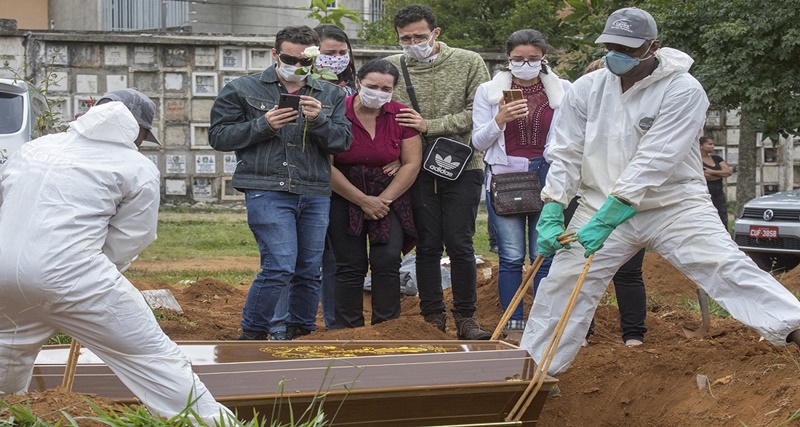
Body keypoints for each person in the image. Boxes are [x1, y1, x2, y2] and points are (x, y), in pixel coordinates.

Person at [522, 7, 800, 375]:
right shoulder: (588, 88)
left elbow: (656, 158)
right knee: (564, 283)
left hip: (674, 205)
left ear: (653, 46)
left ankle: (794, 328)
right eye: (611, 45)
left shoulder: (683, 90)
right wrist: (554, 205)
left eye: (628, 48)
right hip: (599, 204)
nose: (617, 54)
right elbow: (567, 150)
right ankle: (534, 374)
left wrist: (613, 212)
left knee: (724, 265)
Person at [0, 89, 234, 424]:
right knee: (152, 358)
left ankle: (10, 416)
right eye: (143, 136)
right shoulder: (135, 166)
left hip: (3, 276)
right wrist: (90, 277)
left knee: (5, 358)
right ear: (135, 130)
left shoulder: (34, 148)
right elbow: (130, 238)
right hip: (75, 277)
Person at [209, 25, 352, 341]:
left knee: (308, 270)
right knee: (279, 266)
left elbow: (342, 142)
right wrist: (263, 124)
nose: (298, 67)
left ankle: (300, 332)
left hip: (314, 189)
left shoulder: (329, 94)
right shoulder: (242, 88)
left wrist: (319, 121)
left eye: (305, 62)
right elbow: (218, 136)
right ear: (275, 54)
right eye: (290, 59)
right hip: (266, 187)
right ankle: (255, 333)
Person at [386, 4, 493, 339]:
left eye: (420, 36)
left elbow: (479, 112)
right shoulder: (392, 67)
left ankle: (466, 317)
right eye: (406, 38)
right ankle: (432, 317)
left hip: (463, 164)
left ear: (436, 32)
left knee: (460, 242)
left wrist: (429, 125)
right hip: (416, 167)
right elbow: (389, 115)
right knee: (428, 243)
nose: (413, 42)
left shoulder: (469, 61)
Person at [471, 29, 571, 342]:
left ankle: (543, 324)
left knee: (544, 254)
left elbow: (569, 137)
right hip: (506, 175)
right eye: (518, 59)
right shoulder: (489, 91)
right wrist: (499, 118)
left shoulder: (563, 91)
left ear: (544, 59)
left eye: (532, 59)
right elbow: (479, 141)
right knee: (512, 256)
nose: (525, 64)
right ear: (507, 59)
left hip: (548, 174)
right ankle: (514, 324)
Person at [329, 58, 423, 327]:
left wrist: (382, 201)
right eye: (372, 86)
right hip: (345, 195)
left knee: (387, 260)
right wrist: (361, 200)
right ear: (358, 82)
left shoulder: (401, 114)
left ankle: (387, 326)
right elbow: (326, 165)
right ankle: (348, 329)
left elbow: (412, 163)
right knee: (349, 264)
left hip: (389, 198)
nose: (379, 93)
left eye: (386, 88)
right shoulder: (337, 113)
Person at [313, 23, 358, 331]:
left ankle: (334, 321)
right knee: (299, 259)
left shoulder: (356, 88)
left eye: (343, 53)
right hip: (313, 177)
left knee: (336, 258)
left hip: (349, 180)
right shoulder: (303, 86)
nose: (337, 59)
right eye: (330, 53)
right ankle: (290, 324)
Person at [700, 136, 732, 227]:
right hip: (706, 192)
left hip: (719, 192)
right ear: (701, 146)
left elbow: (728, 172)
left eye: (713, 144)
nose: (713, 146)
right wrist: (719, 174)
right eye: (709, 144)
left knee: (722, 216)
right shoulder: (697, 160)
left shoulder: (717, 158)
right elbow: (705, 177)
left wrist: (712, 172)